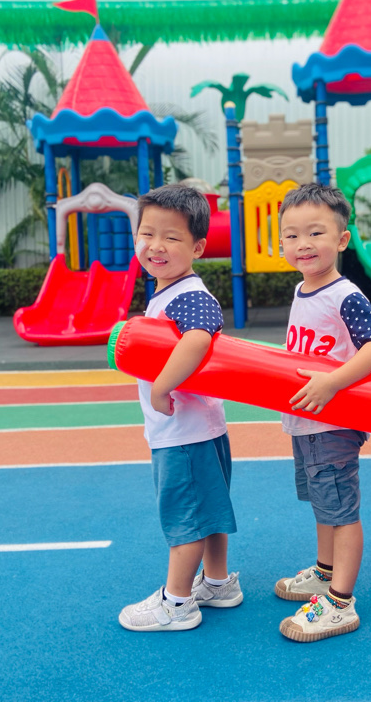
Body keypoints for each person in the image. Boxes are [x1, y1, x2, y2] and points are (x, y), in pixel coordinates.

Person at [274, 182, 371, 642]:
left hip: (333, 423)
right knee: (323, 504)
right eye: (292, 235)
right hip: (306, 421)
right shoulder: (302, 289)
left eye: (315, 233)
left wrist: (332, 382)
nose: (302, 244)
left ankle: (340, 603)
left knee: (341, 511)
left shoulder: (344, 294)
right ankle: (325, 574)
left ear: (342, 240)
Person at [118, 184, 242, 632]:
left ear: (198, 248)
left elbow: (199, 337)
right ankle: (218, 582)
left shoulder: (189, 295)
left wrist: (161, 387)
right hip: (197, 430)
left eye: (171, 237)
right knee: (208, 511)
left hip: (183, 434)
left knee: (184, 519)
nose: (156, 245)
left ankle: (177, 603)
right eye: (147, 233)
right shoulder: (170, 292)